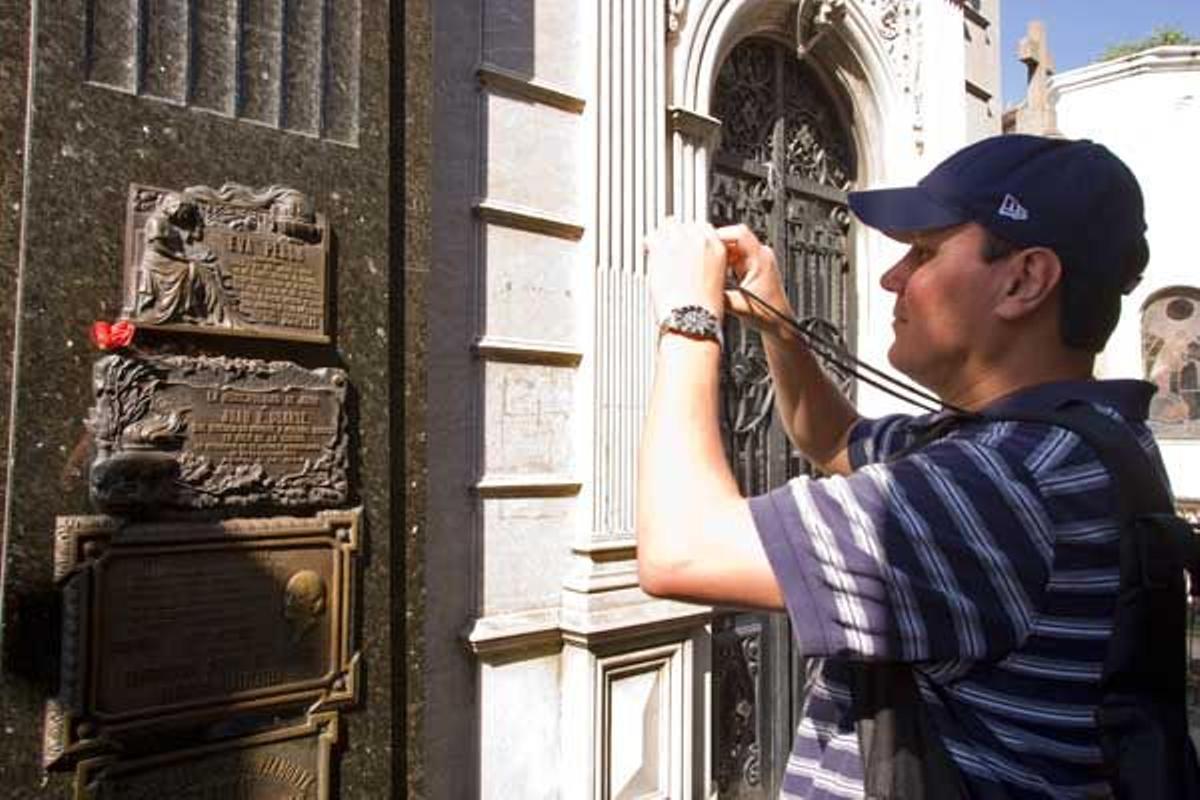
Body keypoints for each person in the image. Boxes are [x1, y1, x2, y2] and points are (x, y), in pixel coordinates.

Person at [637, 134, 1160, 797]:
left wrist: (688, 316)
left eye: (924, 252)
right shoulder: (1073, 443)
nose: (890, 276)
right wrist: (777, 322)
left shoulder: (1001, 487)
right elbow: (834, 441)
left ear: (1025, 278)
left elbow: (679, 550)